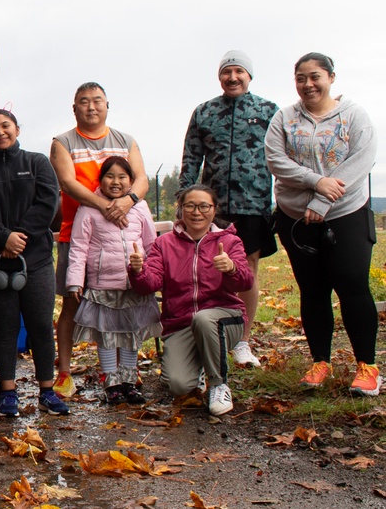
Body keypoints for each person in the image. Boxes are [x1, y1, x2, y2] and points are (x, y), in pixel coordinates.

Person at [265, 52, 380, 396]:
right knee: (312, 290)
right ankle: (320, 362)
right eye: (301, 78)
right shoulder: (284, 118)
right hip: (295, 218)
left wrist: (322, 199)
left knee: (352, 284)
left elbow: (362, 159)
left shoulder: (354, 115)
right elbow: (275, 160)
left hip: (346, 214)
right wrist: (316, 183)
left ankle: (368, 367)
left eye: (315, 76)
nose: (308, 84)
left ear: (331, 77)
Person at [0, 110, 68, 418]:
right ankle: (7, 391)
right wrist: (3, 239)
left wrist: (19, 238)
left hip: (35, 262)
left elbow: (47, 204)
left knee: (40, 327)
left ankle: (47, 390)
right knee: (4, 328)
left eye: (5, 126)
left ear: (17, 128)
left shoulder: (37, 163)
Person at [179, 50, 279, 368]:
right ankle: (212, 335)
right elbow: (191, 158)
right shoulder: (205, 112)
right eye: (227, 72)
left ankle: (243, 342)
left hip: (254, 204)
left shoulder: (269, 111)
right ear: (219, 76)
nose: (233, 77)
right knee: (210, 269)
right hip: (212, 206)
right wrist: (184, 199)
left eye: (239, 71)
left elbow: (282, 157)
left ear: (249, 76)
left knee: (246, 269)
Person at [49, 82, 149, 398]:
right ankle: (64, 372)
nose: (91, 107)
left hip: (122, 238)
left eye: (97, 101)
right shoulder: (63, 142)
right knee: (72, 303)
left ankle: (125, 374)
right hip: (77, 236)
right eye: (84, 102)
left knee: (126, 306)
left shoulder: (125, 140)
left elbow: (142, 179)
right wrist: (107, 207)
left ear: (107, 105)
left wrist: (128, 201)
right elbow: (67, 182)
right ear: (74, 107)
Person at [129, 185, 253, 416]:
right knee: (178, 385)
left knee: (205, 318)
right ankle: (201, 367)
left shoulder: (230, 241)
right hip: (181, 323)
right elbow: (150, 284)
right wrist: (138, 271)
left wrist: (231, 268)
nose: (197, 212)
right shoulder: (164, 243)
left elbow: (245, 283)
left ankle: (218, 385)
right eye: (190, 206)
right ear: (181, 209)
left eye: (204, 206)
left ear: (214, 210)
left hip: (225, 319)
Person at [67, 157, 160, 405]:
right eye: (110, 176)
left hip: (134, 286)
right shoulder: (88, 209)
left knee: (131, 335)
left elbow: (152, 244)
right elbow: (78, 248)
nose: (116, 182)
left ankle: (130, 383)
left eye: (122, 177)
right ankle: (112, 384)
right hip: (102, 287)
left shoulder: (139, 208)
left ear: (130, 181)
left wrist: (152, 273)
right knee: (107, 336)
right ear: (101, 180)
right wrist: (75, 281)